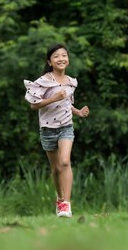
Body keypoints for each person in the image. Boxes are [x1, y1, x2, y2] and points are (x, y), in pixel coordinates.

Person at [24, 44, 90, 218]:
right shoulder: (43, 81)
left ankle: (66, 205)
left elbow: (67, 103)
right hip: (47, 129)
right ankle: (59, 198)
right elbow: (33, 105)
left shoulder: (71, 82)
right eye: (56, 56)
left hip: (66, 127)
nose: (61, 59)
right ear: (50, 61)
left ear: (68, 59)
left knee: (65, 161)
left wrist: (78, 112)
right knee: (55, 169)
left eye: (64, 55)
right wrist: (54, 97)